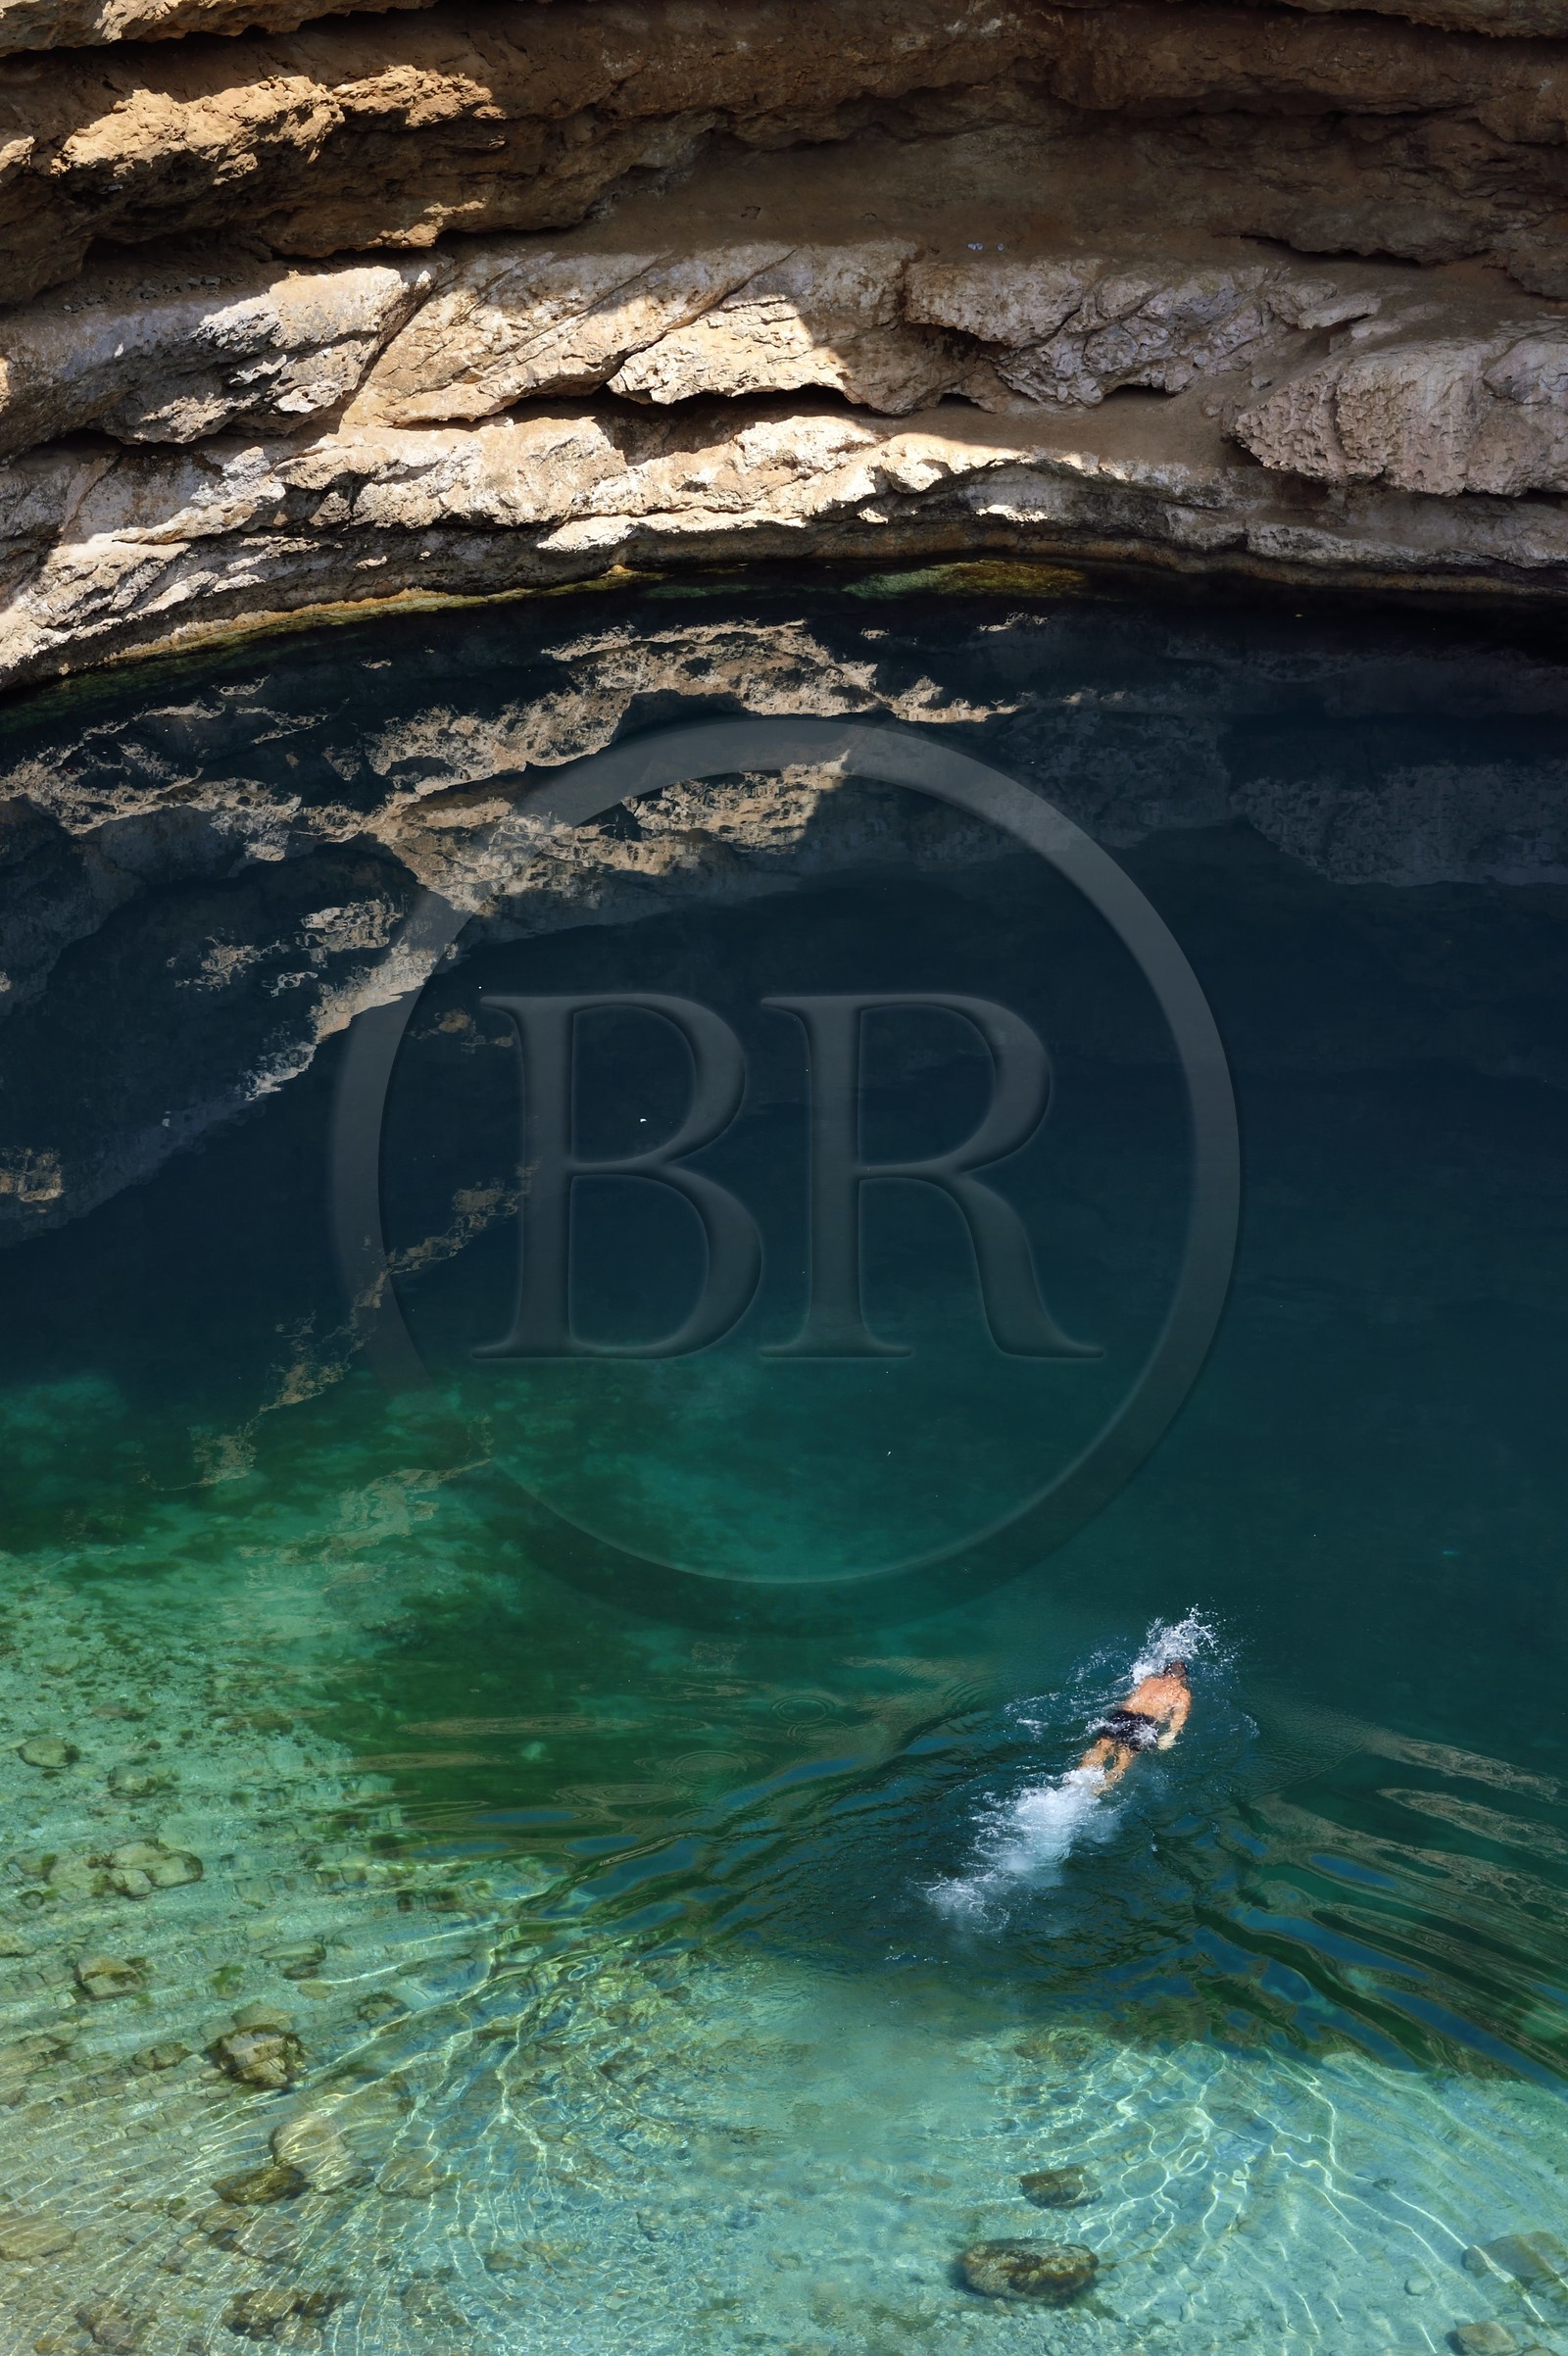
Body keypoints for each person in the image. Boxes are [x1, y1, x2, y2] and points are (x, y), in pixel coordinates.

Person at [1078, 1658, 1191, 1790]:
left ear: (1164, 1672)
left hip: (1122, 1715)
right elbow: (1179, 1716)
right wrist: (1171, 1734)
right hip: (1144, 1722)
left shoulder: (1149, 1681)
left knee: (1101, 1747)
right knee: (1123, 1759)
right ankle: (1101, 1788)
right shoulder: (1181, 1693)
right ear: (1183, 1678)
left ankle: (1078, 1779)